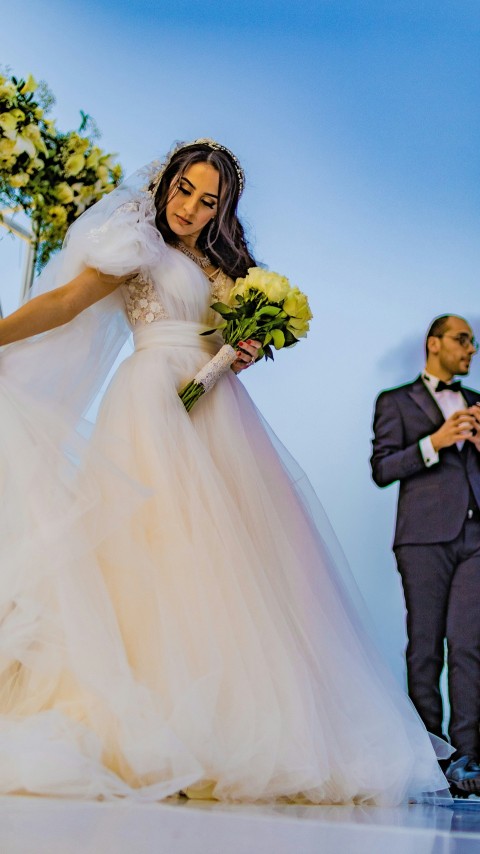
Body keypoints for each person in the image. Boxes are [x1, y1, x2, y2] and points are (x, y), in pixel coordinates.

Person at [0, 139, 449, 804]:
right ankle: (154, 727)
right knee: (157, 550)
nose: (189, 207)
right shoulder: (136, 245)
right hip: (152, 400)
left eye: (207, 201)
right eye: (184, 190)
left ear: (222, 209)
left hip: (214, 405)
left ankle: (231, 727)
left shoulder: (217, 262)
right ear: (166, 182)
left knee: (238, 562)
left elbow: (213, 337)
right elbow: (66, 303)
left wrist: (240, 347)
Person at [370, 314, 480, 795]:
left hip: (476, 535)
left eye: (473, 343)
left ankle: (471, 760)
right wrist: (434, 442)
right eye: (463, 340)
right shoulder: (394, 401)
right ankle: (430, 756)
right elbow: (382, 468)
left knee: (471, 647)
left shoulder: (478, 404)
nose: (471, 349)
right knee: (424, 647)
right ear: (433, 344)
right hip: (422, 538)